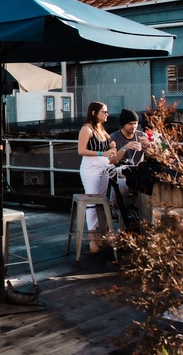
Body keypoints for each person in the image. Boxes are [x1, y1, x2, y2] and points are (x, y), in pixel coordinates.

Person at [77, 101, 117, 254]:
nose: (106, 115)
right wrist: (102, 153)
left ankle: (100, 232)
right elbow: (81, 150)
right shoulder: (87, 129)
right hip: (91, 168)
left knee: (101, 199)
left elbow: (108, 147)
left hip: (104, 167)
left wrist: (111, 148)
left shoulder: (101, 130)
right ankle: (92, 235)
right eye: (104, 112)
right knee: (92, 201)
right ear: (94, 113)